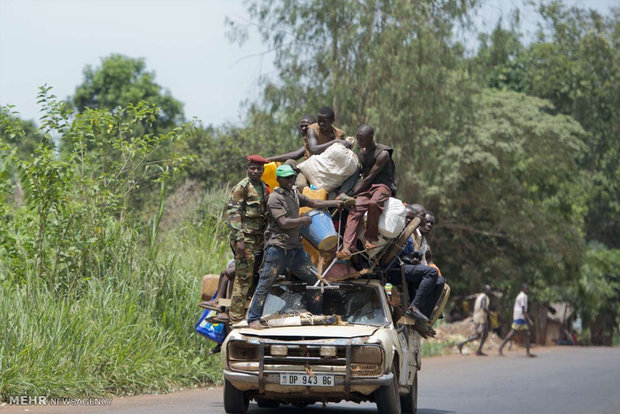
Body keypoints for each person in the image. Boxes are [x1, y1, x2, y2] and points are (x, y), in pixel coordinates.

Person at [246, 165, 346, 329]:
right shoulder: (274, 198)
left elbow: (313, 202)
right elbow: (283, 222)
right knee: (266, 283)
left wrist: (336, 203)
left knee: (314, 278)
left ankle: (315, 315)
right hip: (278, 249)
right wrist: (302, 220)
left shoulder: (294, 193)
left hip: (296, 250)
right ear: (279, 180)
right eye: (287, 178)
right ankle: (254, 319)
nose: (291, 180)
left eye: (292, 177)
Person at [337, 124, 396, 260]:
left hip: (383, 185)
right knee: (355, 209)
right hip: (367, 187)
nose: (360, 142)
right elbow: (361, 175)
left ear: (371, 137)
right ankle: (346, 248)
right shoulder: (362, 154)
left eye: (362, 139)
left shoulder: (383, 154)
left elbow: (369, 177)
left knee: (373, 203)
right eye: (358, 139)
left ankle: (370, 239)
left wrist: (351, 194)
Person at [226, 155, 270, 323]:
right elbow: (233, 213)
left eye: (258, 168)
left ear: (263, 170)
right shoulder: (242, 187)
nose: (255, 171)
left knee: (255, 276)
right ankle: (236, 318)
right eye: (252, 168)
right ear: (248, 169)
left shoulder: (262, 186)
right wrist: (239, 239)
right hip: (245, 238)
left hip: (259, 238)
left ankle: (250, 313)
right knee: (243, 277)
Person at [385, 204, 441, 323]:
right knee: (431, 272)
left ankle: (423, 314)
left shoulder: (410, 235)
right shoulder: (395, 230)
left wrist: (412, 259)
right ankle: (414, 307)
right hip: (393, 269)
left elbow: (409, 254)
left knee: (440, 281)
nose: (409, 220)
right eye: (407, 217)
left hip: (404, 267)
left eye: (411, 218)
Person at [499, 283, 536, 357]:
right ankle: (500, 348)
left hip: (520, 317)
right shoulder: (522, 297)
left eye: (528, 289)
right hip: (520, 317)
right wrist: (529, 320)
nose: (527, 290)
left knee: (526, 334)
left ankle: (527, 352)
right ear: (522, 289)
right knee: (513, 333)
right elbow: (523, 309)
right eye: (526, 289)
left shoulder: (523, 296)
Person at [457, 285, 492, 356]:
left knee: (482, 334)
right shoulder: (484, 297)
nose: (489, 291)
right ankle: (462, 344)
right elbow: (483, 307)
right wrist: (489, 313)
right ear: (485, 290)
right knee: (480, 335)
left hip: (479, 317)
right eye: (488, 290)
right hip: (481, 318)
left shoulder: (480, 296)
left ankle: (475, 348)